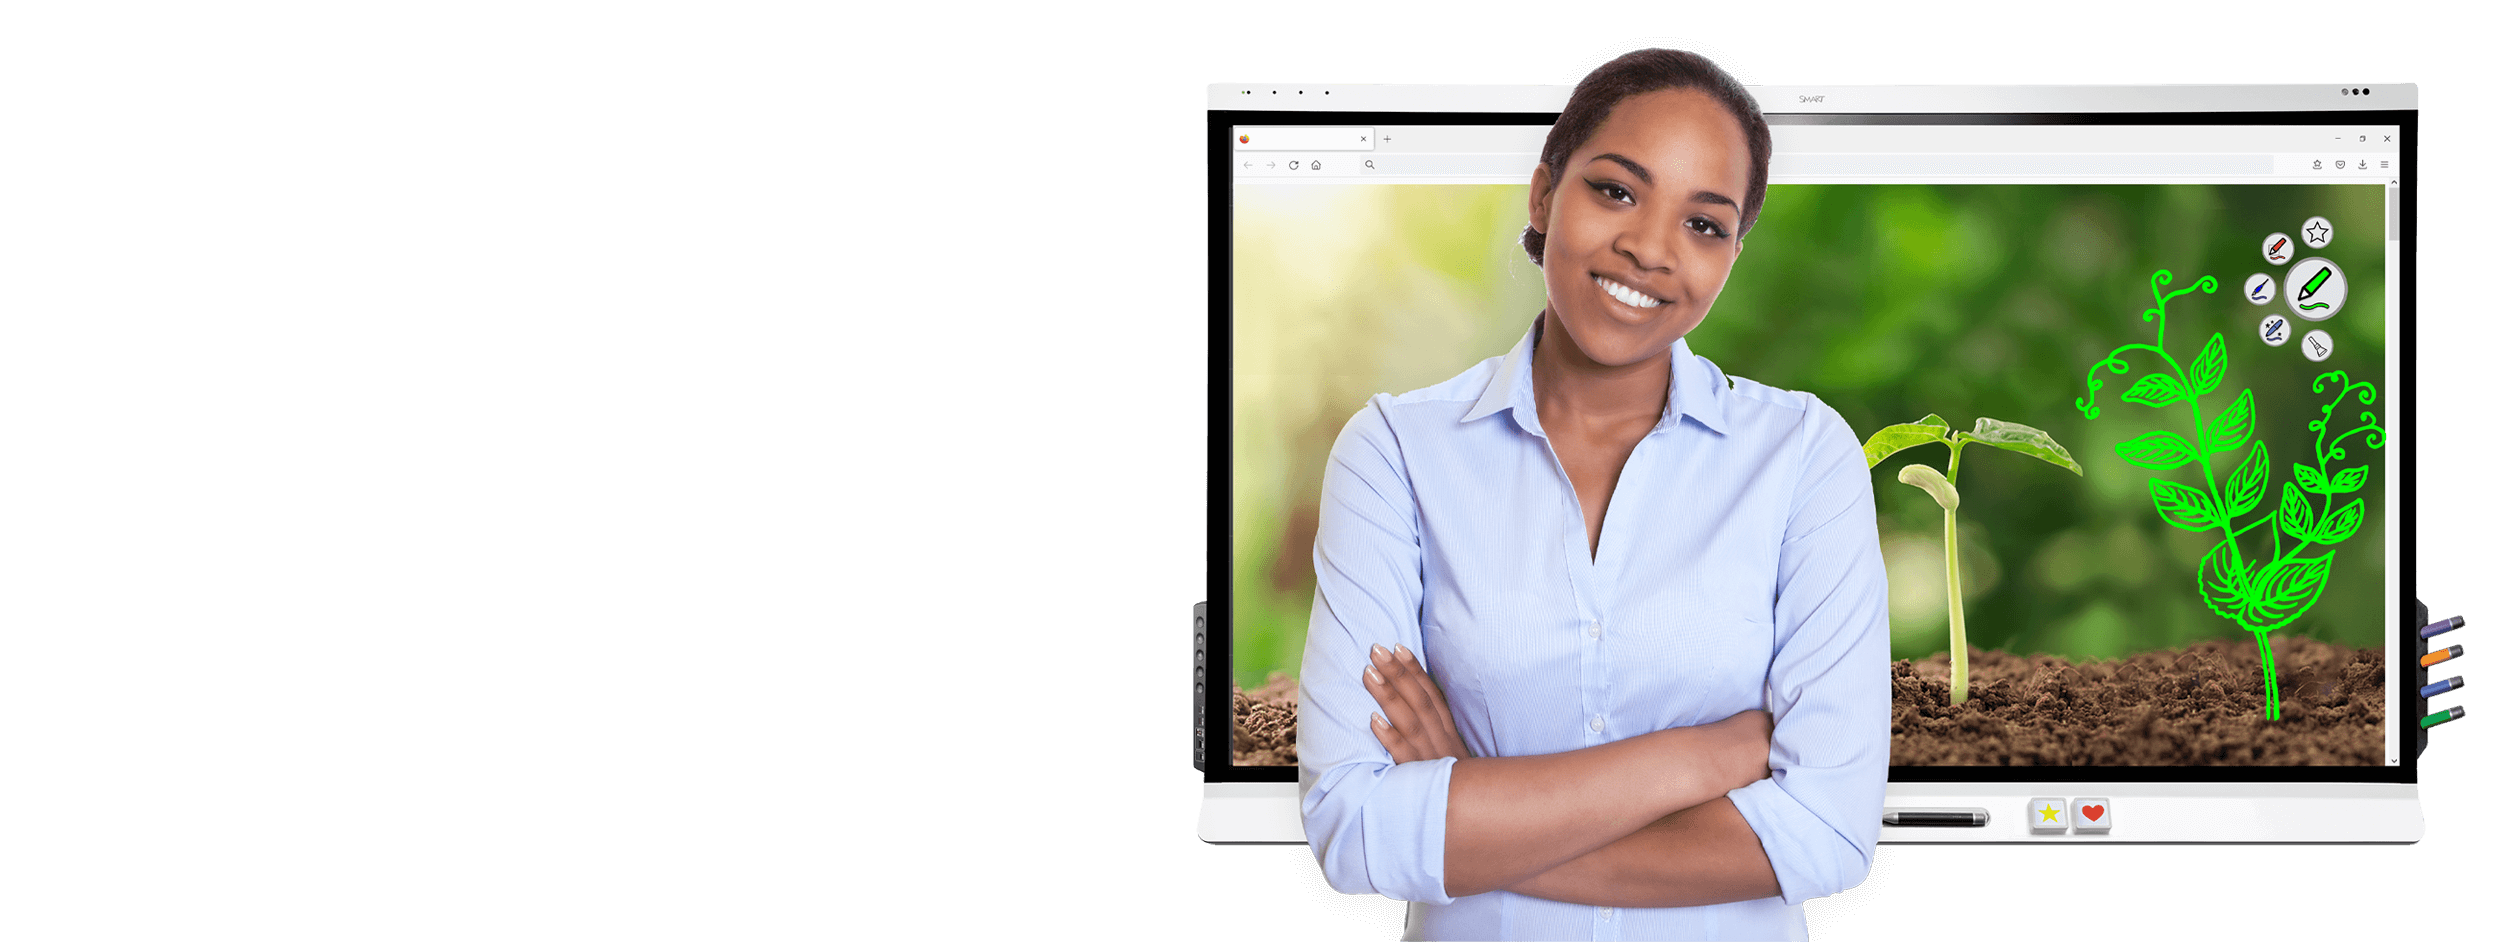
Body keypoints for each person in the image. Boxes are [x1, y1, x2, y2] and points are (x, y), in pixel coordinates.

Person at [1296, 49, 1891, 940]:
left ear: (1732, 253)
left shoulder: (1803, 457)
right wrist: (1709, 755)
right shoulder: (1397, 453)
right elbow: (1354, 826)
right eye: (1617, 191)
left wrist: (1472, 808)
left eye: (1704, 224)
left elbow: (1827, 833)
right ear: (1544, 196)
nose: (1651, 248)